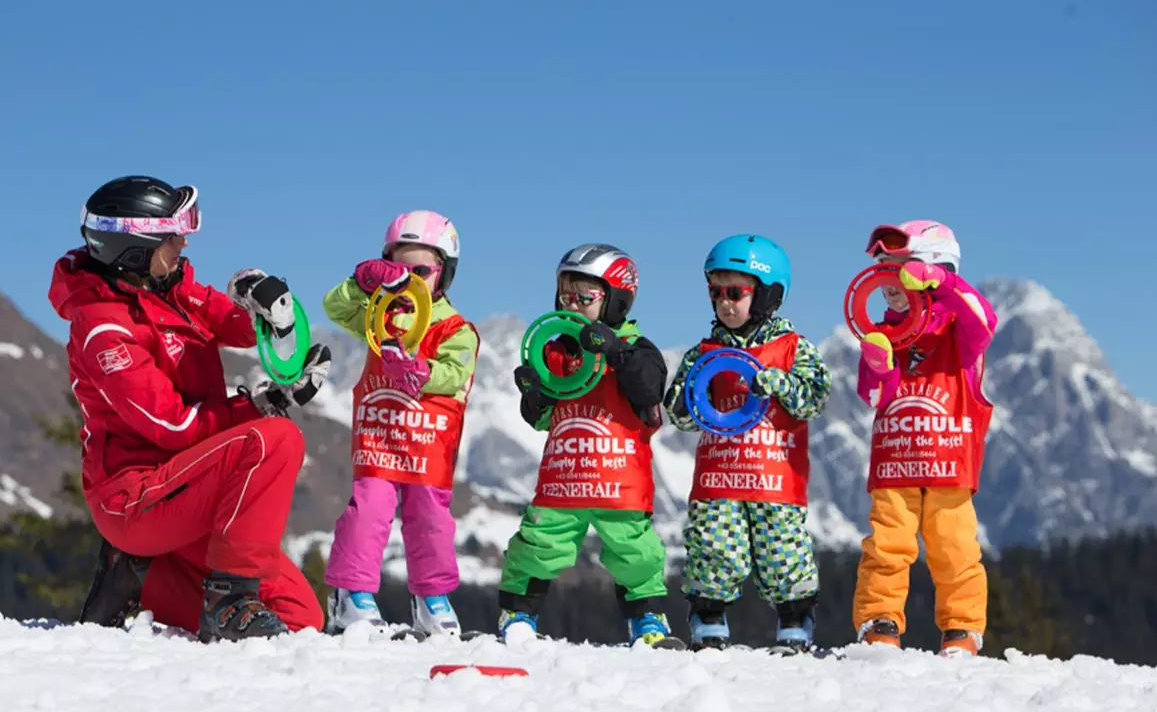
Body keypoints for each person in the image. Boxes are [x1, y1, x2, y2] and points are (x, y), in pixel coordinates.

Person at [48, 175, 331, 642]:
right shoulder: (105, 330)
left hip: (187, 488)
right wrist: (263, 406)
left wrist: (265, 306)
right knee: (276, 440)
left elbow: (235, 325)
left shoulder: (172, 290)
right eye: (172, 234)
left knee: (302, 618)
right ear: (133, 248)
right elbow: (174, 425)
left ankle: (140, 579)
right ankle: (230, 602)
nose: (183, 241)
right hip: (136, 498)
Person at [501, 244, 682, 648]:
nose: (573, 305)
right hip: (562, 482)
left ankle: (648, 622)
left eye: (585, 298)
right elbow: (541, 419)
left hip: (619, 486)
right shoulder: (556, 352)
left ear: (617, 300)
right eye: (566, 295)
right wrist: (534, 393)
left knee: (638, 553)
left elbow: (649, 388)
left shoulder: (638, 350)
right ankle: (517, 615)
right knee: (536, 546)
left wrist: (614, 349)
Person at [663, 235, 832, 653]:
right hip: (719, 478)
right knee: (713, 548)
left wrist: (779, 383)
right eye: (715, 292)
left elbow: (815, 398)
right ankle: (708, 616)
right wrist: (686, 397)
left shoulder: (793, 349)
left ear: (768, 294)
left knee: (783, 553)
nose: (724, 302)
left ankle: (795, 619)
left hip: (775, 479)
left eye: (735, 292)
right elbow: (679, 415)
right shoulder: (704, 352)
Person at [321, 210, 479, 638]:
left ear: (443, 273)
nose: (409, 278)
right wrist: (362, 282)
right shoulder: (378, 314)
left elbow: (458, 371)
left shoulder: (455, 328)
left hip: (427, 446)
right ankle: (351, 595)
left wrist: (425, 372)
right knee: (368, 513)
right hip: (380, 440)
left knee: (430, 520)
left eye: (420, 270)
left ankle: (432, 598)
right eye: (398, 268)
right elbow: (333, 307)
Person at [853, 219, 998, 657]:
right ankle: (878, 620)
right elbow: (875, 396)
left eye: (898, 269)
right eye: (882, 270)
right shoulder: (883, 331)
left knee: (954, 546)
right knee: (886, 546)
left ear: (931, 267)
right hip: (895, 464)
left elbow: (983, 319)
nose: (888, 283)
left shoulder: (960, 332)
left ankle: (962, 627)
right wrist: (879, 363)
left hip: (950, 463)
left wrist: (946, 284)